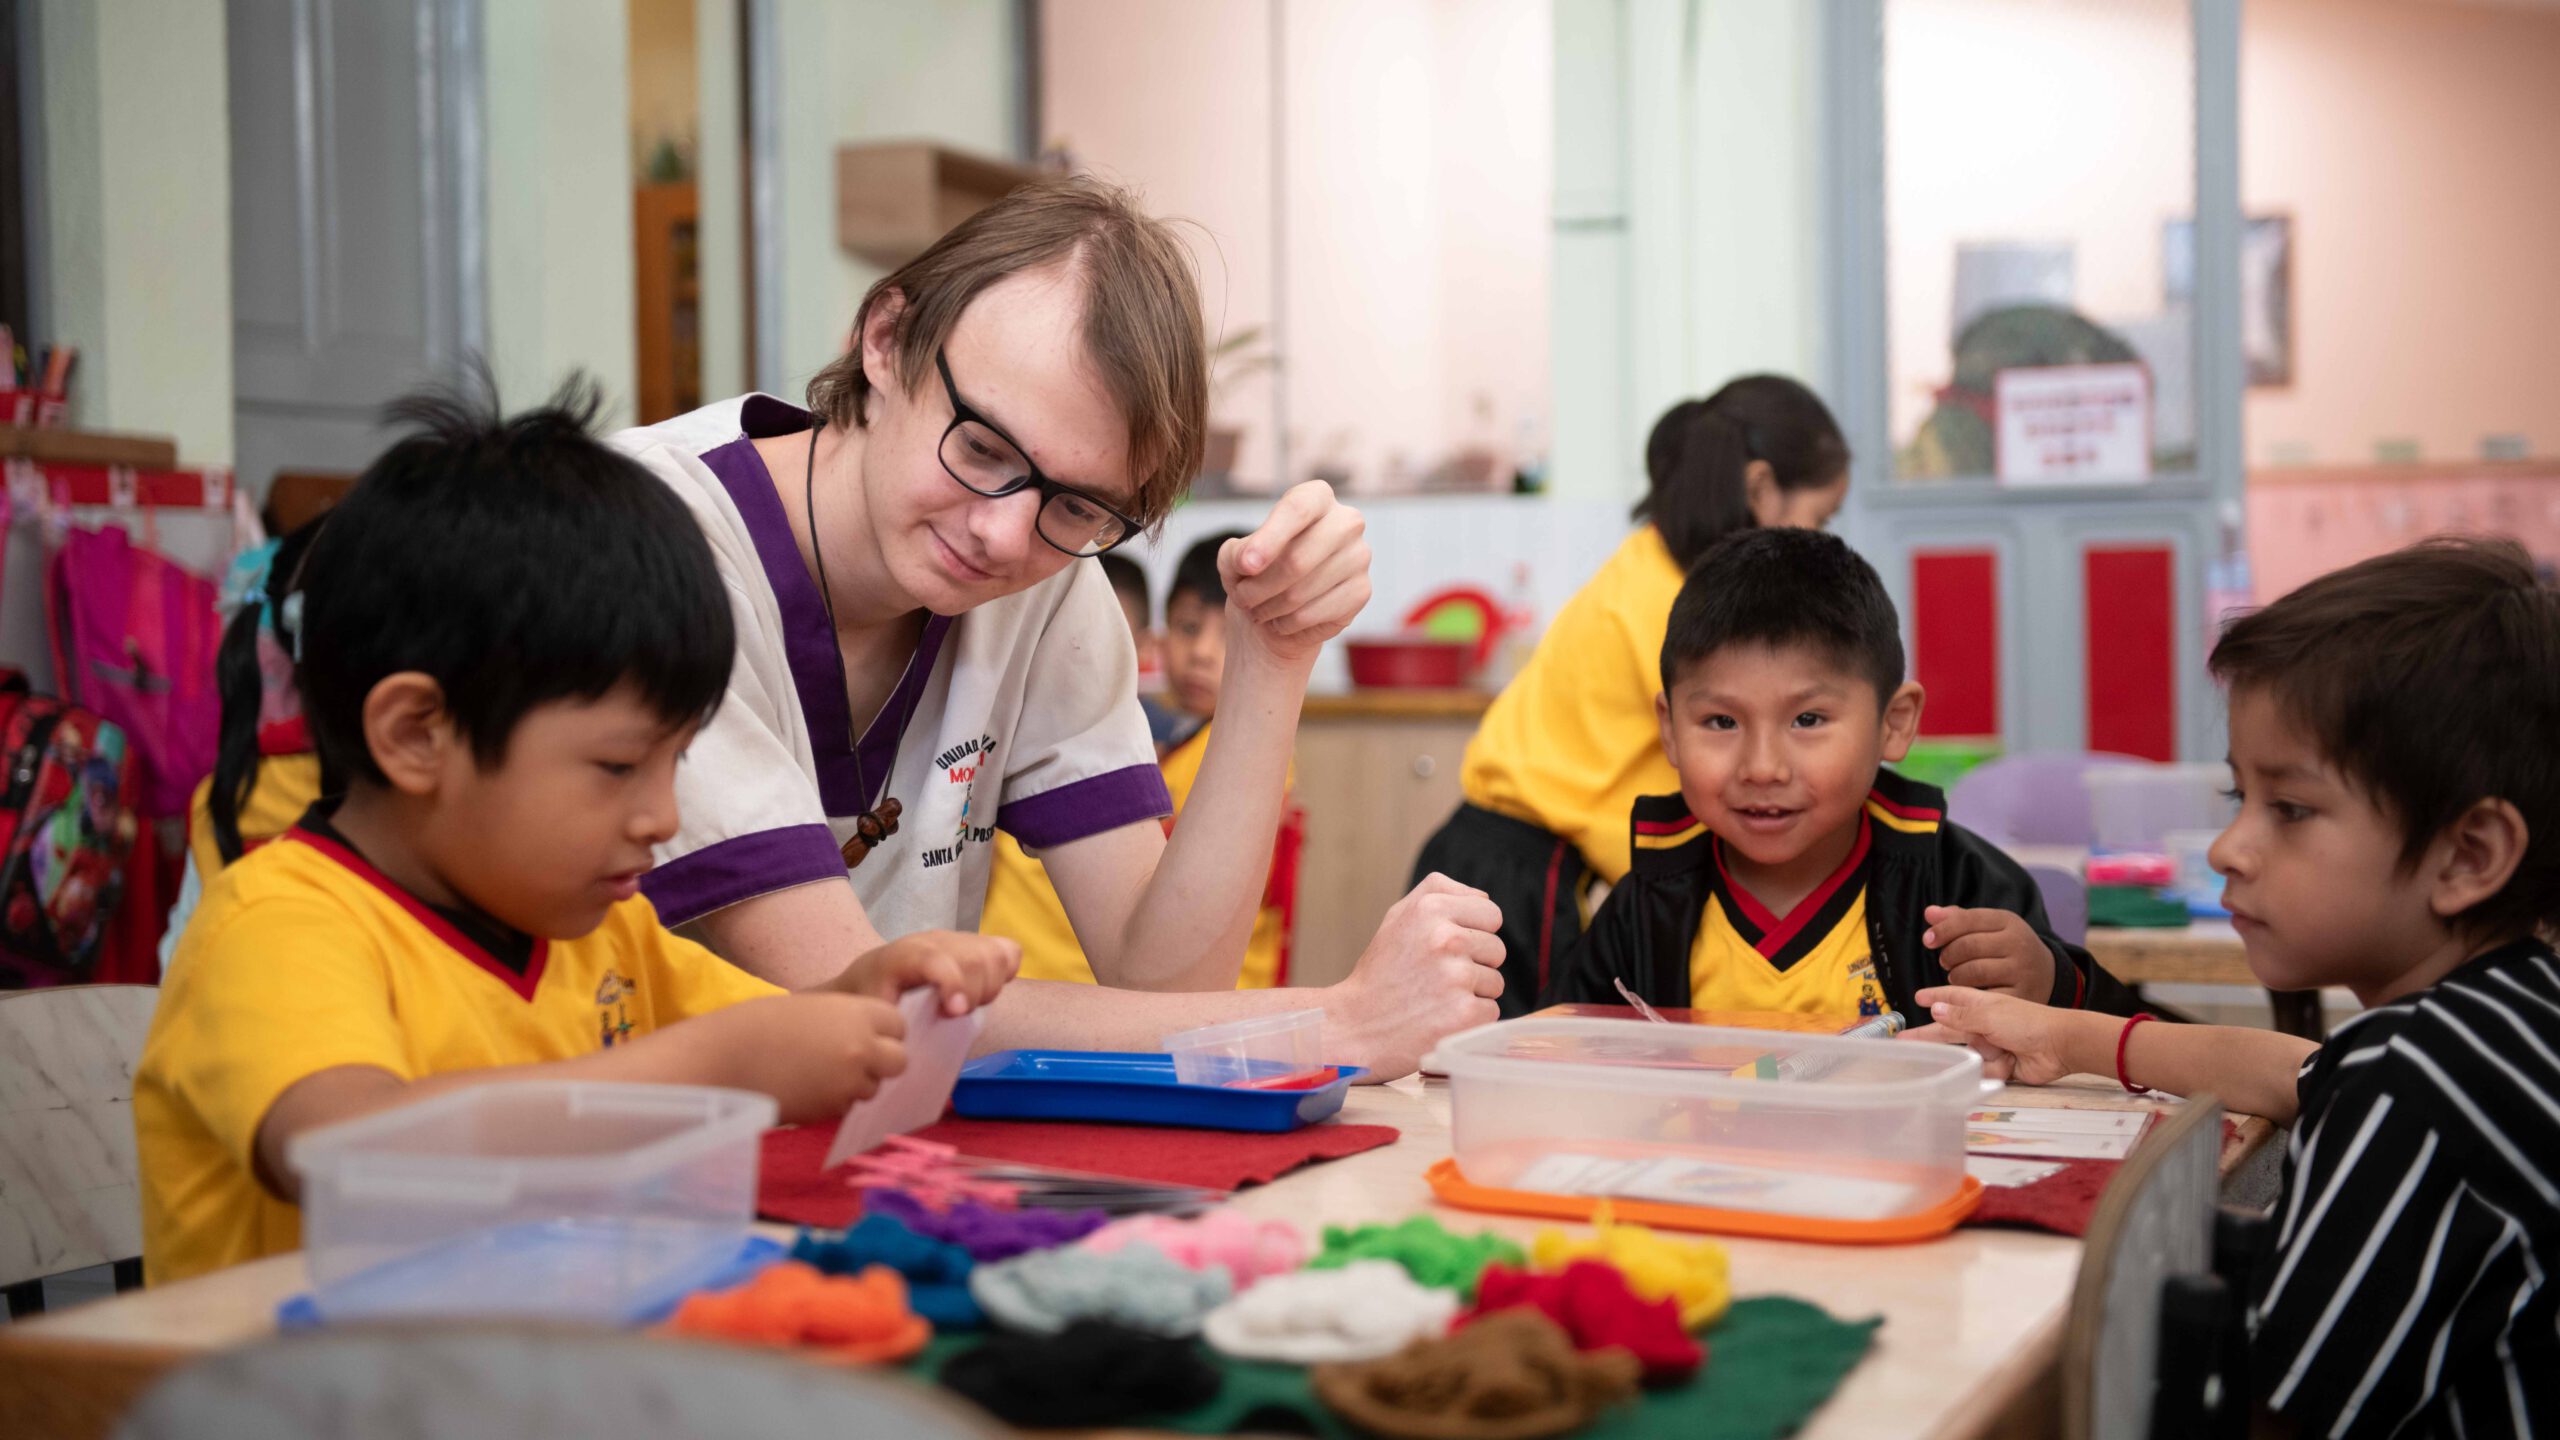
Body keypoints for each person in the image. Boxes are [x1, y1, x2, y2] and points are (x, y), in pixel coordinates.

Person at [609, 177, 1501, 1078]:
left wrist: (1270, 656)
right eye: (983, 448)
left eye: (1078, 505)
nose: (1002, 534)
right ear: (885, 342)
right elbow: (850, 999)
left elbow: (1167, 984)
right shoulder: (645, 537)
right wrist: (1334, 1024)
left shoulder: (1044, 568)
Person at [135, 381, 1018, 1283]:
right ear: (416, 735)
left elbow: (783, 1037)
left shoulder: (605, 932)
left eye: (676, 763)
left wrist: (867, 997)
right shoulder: (276, 928)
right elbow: (348, 1152)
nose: (662, 817)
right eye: (616, 768)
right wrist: (715, 1067)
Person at [1906, 538, 2560, 1436]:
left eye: (2289, 810)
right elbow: (2307, 1068)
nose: (2226, 851)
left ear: (2469, 855)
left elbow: (2275, 1420)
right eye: (2237, 798)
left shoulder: (2409, 1088)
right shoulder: (2506, 1019)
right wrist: (2070, 1035)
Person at [1544, 528, 2132, 1023]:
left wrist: (2052, 983)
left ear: (1893, 723)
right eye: (1721, 721)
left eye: (1807, 719)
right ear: (1669, 730)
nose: (1763, 768)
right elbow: (1566, 1054)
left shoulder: (1959, 887)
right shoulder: (1646, 901)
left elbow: (2103, 1043)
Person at [1413, 377, 1850, 1012]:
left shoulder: (1651, 563)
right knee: (1517, 1084)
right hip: (1515, 881)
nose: (1824, 539)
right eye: (1821, 518)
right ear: (1760, 490)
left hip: (1491, 860)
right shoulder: (1684, 609)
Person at [982, 532, 1295, 987]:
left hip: (1126, 991)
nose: (1203, 654)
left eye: (1227, 636)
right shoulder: (1152, 739)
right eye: (1189, 629)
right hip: (1035, 975)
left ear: (1141, 645)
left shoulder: (1229, 760)